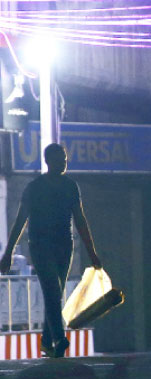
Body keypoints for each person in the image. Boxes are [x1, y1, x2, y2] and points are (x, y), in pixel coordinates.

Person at [0, 143, 102, 358]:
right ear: (48, 161)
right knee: (53, 292)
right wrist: (7, 252)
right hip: (40, 246)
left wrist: (92, 252)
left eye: (65, 158)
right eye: (60, 159)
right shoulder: (34, 188)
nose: (64, 162)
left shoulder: (71, 186)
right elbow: (20, 221)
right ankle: (59, 338)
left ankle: (46, 342)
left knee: (55, 294)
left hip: (65, 246)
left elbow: (80, 220)